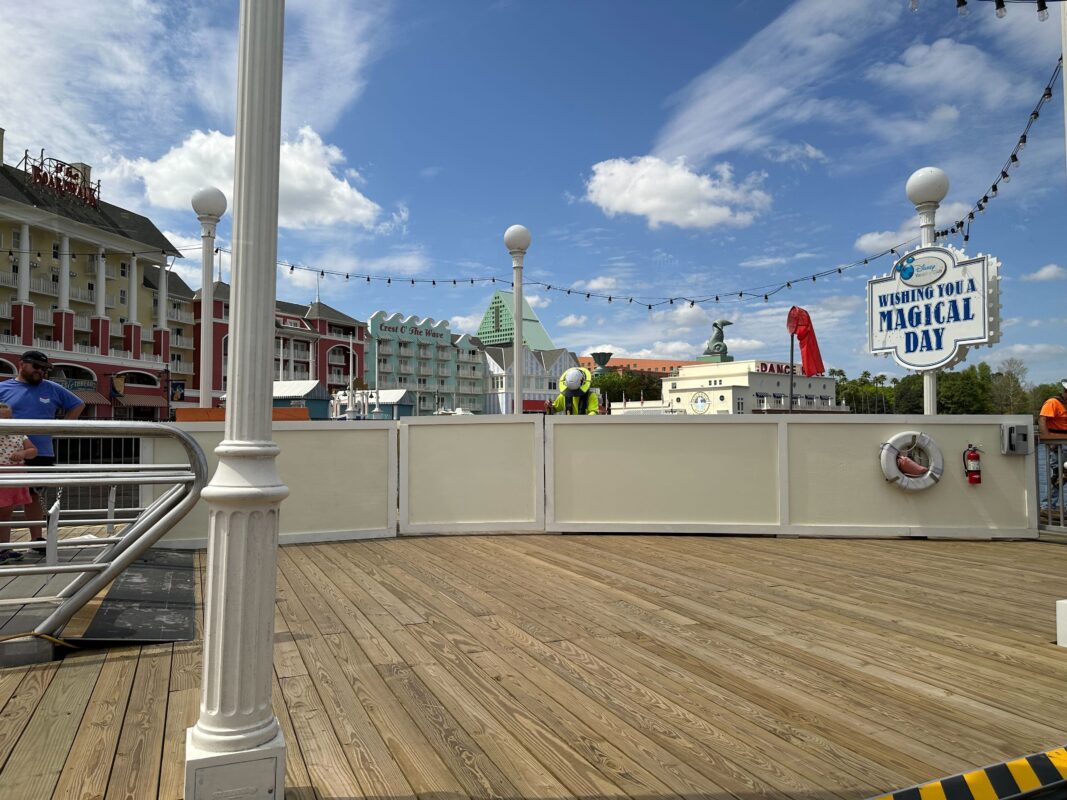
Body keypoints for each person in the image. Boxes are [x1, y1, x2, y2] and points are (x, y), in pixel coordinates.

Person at [0, 351, 84, 547]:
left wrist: (63, 428)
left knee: (34, 496)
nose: (41, 371)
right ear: (21, 364)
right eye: (36, 367)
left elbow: (78, 404)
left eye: (44, 369)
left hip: (41, 451)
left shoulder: (52, 388)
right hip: (6, 454)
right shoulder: (3, 387)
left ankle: (36, 539)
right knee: (5, 501)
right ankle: (4, 545)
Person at [0, 403, 37, 563]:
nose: (7, 421)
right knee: (3, 511)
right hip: (3, 474)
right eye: (3, 418)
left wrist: (22, 453)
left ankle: (4, 547)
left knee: (7, 513)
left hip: (15, 474)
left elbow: (33, 451)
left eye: (9, 417)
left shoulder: (18, 433)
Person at [1039, 380, 1067, 517]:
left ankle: (1050, 506)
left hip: (1064, 443)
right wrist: (1049, 440)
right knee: (1057, 473)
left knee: (1064, 475)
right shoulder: (1053, 402)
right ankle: (1047, 506)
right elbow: (1042, 420)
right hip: (1059, 444)